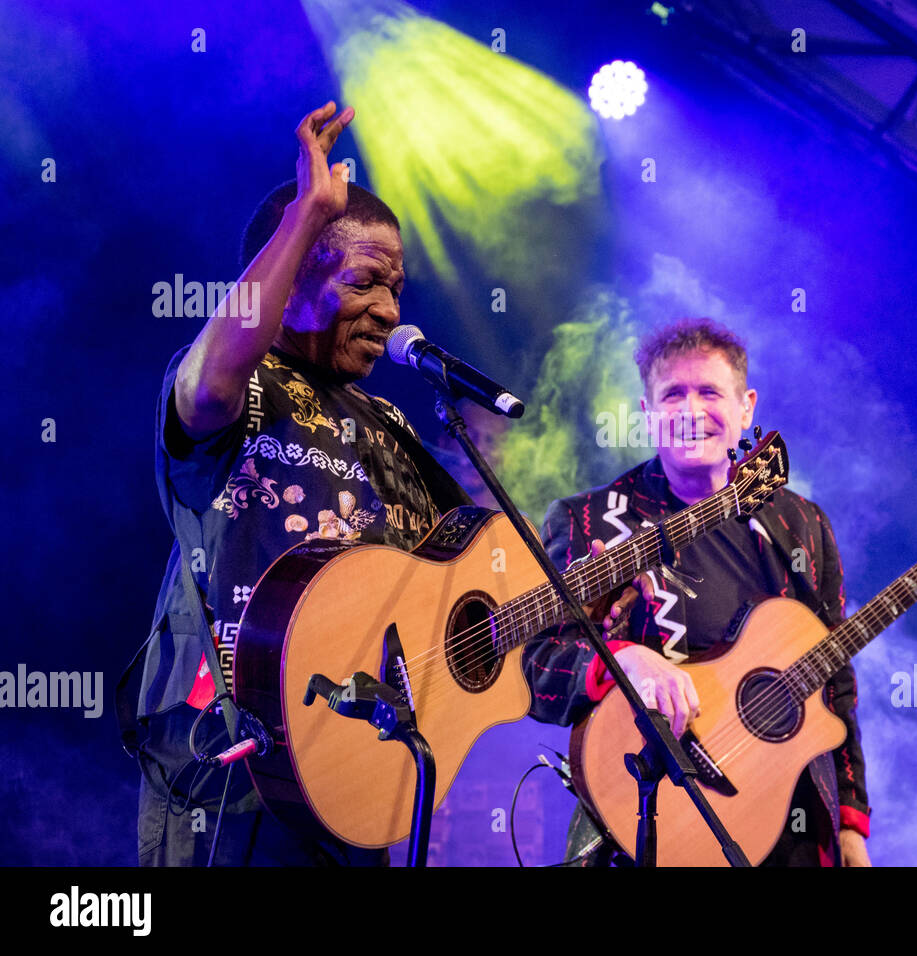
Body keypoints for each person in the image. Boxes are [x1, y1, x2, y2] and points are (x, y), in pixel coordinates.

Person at [126, 102, 471, 866]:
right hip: (224, 775)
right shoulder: (238, 384)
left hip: (353, 782)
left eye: (398, 288)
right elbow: (211, 381)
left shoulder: (388, 424)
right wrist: (309, 214)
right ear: (294, 279)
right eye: (367, 283)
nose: (390, 310)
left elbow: (440, 594)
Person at [523, 319, 872, 866]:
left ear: (746, 407)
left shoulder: (802, 524)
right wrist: (625, 660)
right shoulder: (585, 520)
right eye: (672, 394)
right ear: (646, 412)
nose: (690, 411)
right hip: (649, 825)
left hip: (791, 823)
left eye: (709, 392)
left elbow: (836, 683)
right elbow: (538, 668)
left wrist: (850, 823)